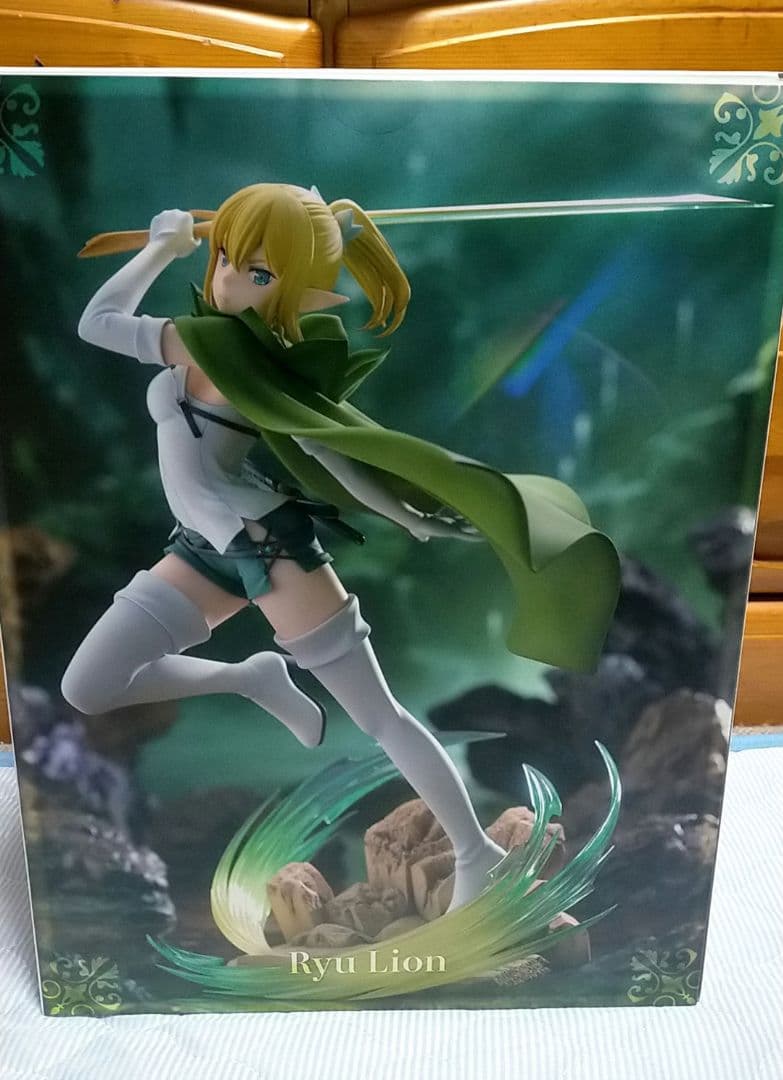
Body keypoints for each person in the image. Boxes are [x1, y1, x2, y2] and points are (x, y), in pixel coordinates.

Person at [61, 183, 620, 913]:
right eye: (226, 257)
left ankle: (476, 853)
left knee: (380, 716)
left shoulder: (227, 347)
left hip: (268, 550)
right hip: (200, 547)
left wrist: (402, 512)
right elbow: (99, 327)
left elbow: (326, 447)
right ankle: (251, 678)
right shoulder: (211, 337)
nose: (228, 281)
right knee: (89, 686)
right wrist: (167, 250)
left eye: (259, 273)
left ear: (298, 291)